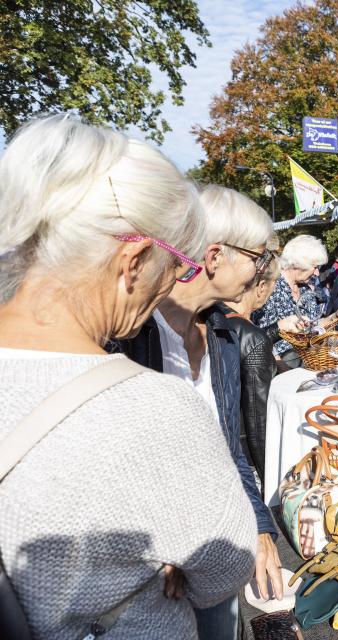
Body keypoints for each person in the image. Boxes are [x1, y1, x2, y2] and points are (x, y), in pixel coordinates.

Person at [0, 116, 257, 638]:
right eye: (175, 267)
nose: (171, 286)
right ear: (133, 261)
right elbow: (224, 567)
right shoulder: (151, 406)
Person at [114, 185, 283, 639]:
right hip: (147, 565)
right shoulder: (129, 333)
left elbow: (231, 448)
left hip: (213, 547)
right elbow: (118, 457)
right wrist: (157, 542)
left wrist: (259, 525)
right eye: (257, 257)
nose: (261, 271)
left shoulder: (225, 336)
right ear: (214, 257)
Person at [225, 235, 281, 483]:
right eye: (273, 285)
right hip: (247, 462)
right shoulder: (252, 337)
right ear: (260, 287)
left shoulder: (215, 319)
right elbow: (260, 424)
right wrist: (272, 481)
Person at [253, 235, 338, 361]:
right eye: (315, 267)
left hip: (309, 359)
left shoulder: (305, 289)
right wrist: (280, 366)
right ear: (298, 264)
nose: (317, 273)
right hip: (278, 365)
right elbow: (257, 336)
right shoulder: (270, 287)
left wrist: (335, 317)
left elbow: (312, 325)